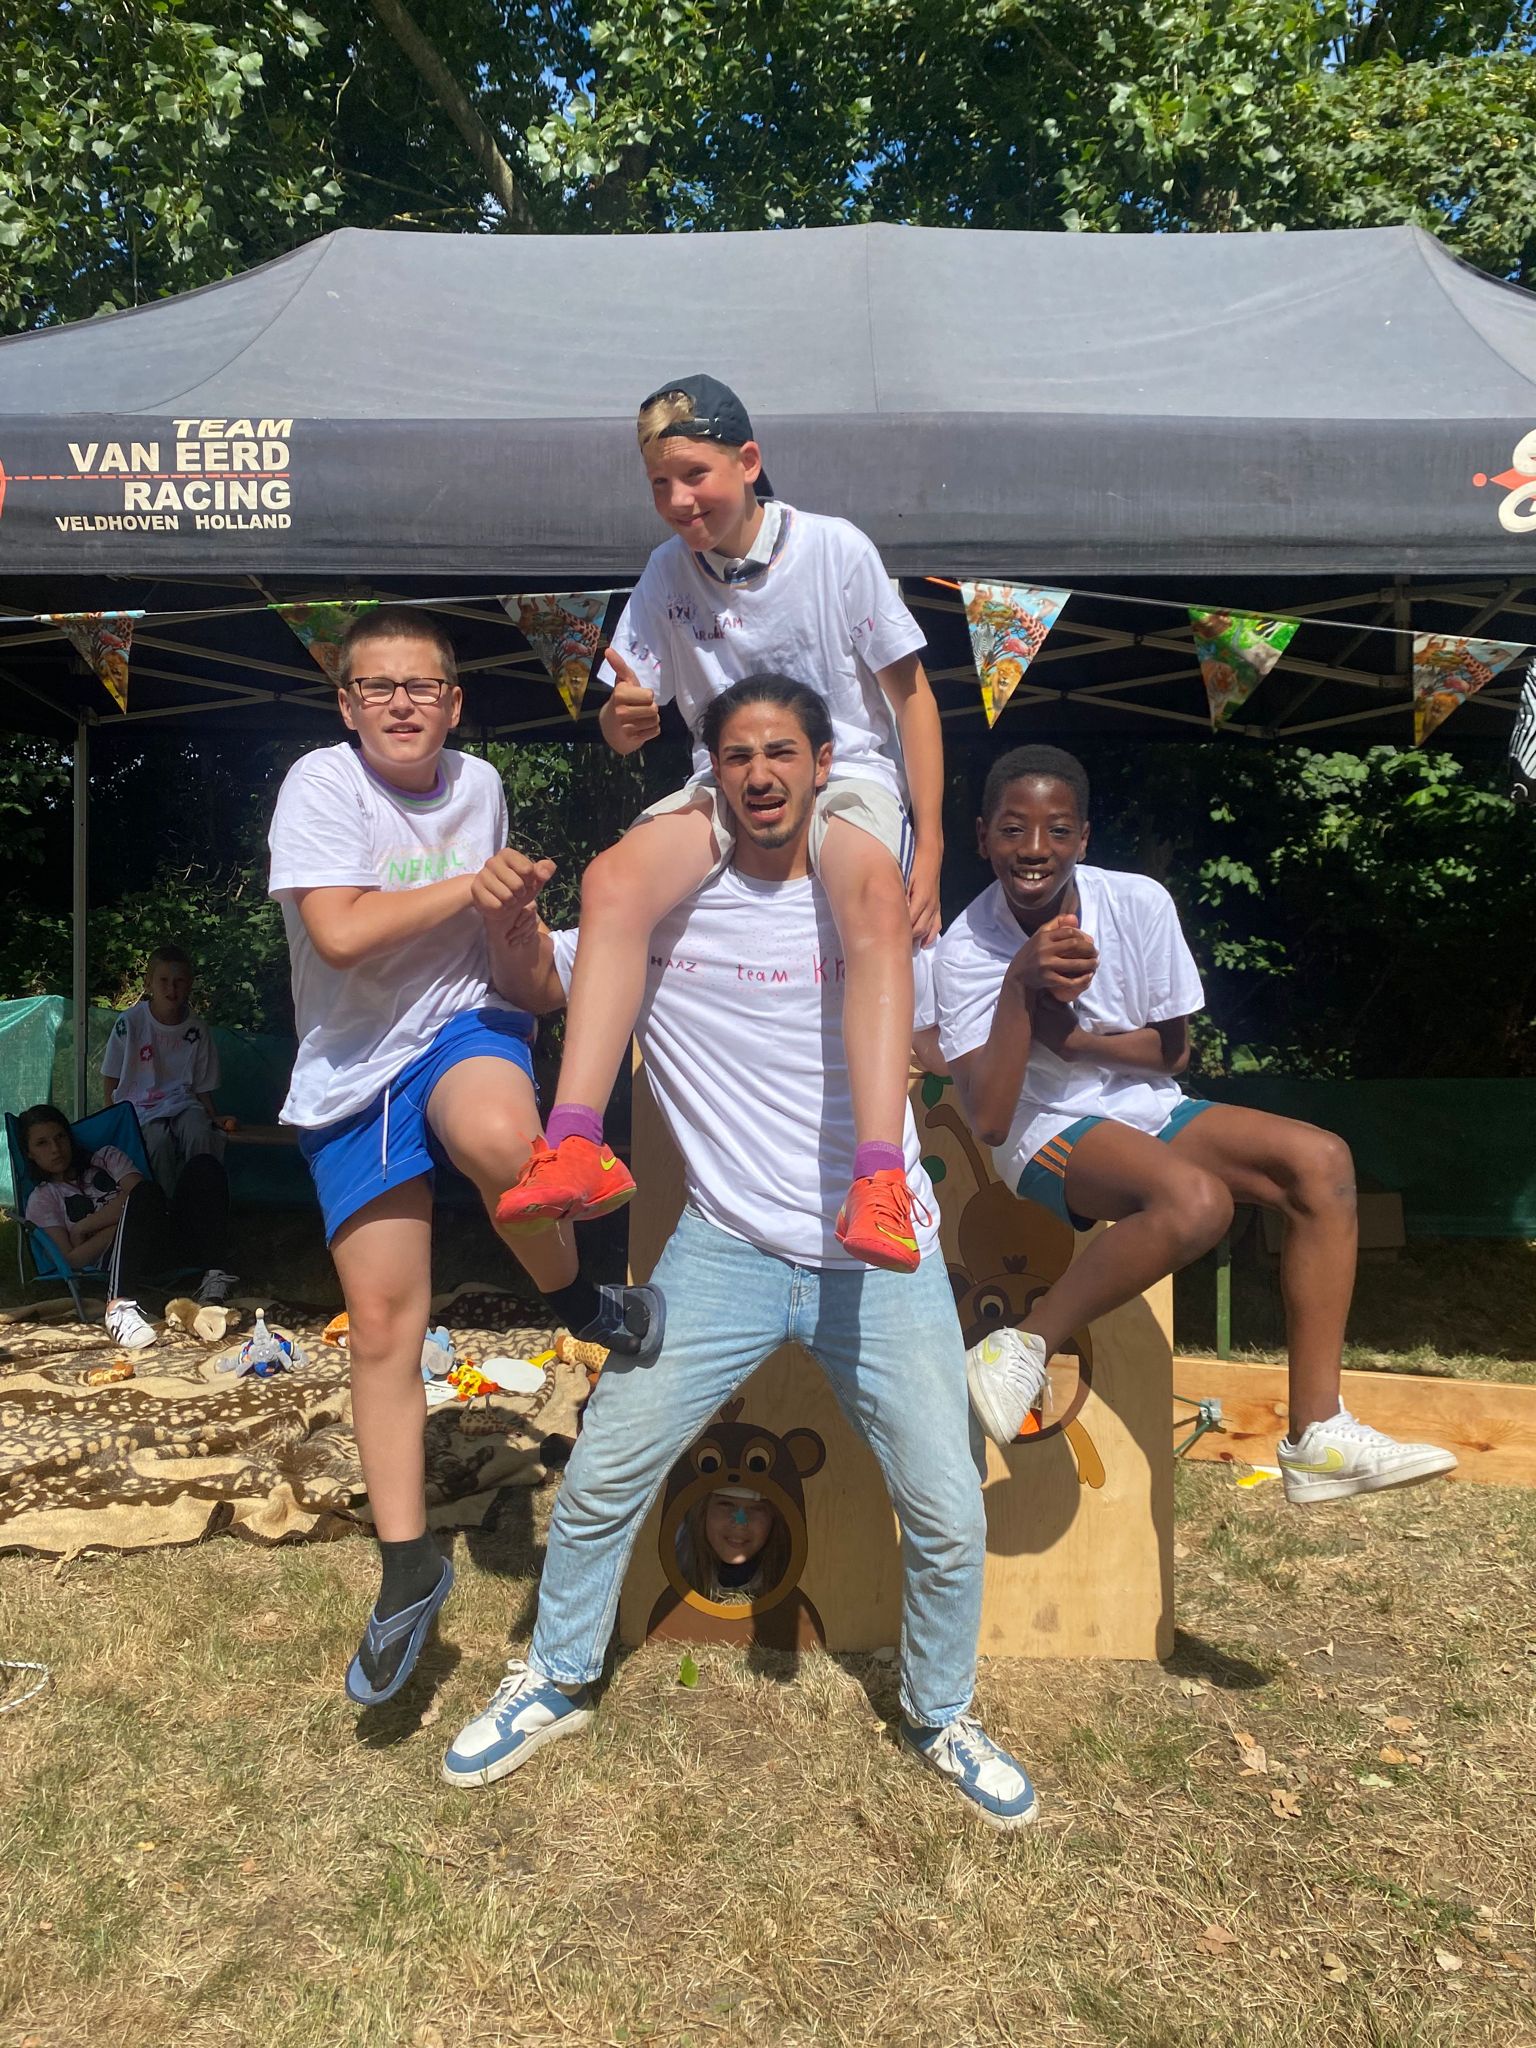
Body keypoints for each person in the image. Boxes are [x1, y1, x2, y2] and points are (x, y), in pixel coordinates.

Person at [442, 674, 1037, 1830]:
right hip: (727, 1245)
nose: (762, 773)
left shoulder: (865, 901)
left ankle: (940, 1713)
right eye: (739, 755)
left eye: (782, 752)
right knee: (606, 1467)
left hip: (884, 1253)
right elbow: (545, 980)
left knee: (947, 1507)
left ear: (824, 765)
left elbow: (943, 1033)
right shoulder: (663, 903)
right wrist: (510, 927)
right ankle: (555, 1676)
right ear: (711, 776)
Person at [266, 604, 663, 1710]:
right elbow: (341, 931)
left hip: (460, 1023)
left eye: (422, 686)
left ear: (454, 702)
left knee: (503, 1143)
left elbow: (488, 932)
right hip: (351, 1067)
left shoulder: (480, 783)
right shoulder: (319, 784)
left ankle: (581, 1301)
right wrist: (473, 885)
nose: (401, 703)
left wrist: (516, 923)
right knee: (383, 1326)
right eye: (378, 686)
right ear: (347, 705)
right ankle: (408, 1570)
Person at [494, 374, 945, 1274]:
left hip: (846, 772)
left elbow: (913, 699)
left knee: (868, 894)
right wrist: (621, 720)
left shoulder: (835, 549)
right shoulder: (666, 572)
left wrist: (927, 842)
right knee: (610, 880)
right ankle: (576, 1137)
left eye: (693, 476)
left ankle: (880, 1179)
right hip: (722, 776)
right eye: (659, 484)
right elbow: (628, 713)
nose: (678, 501)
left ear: (748, 461)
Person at [933, 743, 1459, 1504]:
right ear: (983, 837)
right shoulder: (964, 951)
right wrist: (1019, 985)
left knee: (1321, 1163)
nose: (1035, 848)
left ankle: (1318, 1434)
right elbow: (986, 1119)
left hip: (1150, 1108)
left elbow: (1173, 1051)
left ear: (1084, 837)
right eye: (1013, 830)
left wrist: (1074, 1041)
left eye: (1058, 829)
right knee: (1196, 1203)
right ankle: (1021, 1345)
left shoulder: (1138, 903)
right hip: (1043, 1126)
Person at [17, 1102, 224, 1351]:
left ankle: (214, 1281)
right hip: (127, 1260)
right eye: (42, 1143)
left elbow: (139, 1193)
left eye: (60, 1137)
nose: (55, 1149)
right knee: (145, 1196)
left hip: (166, 1237)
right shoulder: (43, 1198)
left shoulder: (106, 1157)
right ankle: (117, 1306)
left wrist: (83, 1227)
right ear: (29, 1153)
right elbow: (70, 1259)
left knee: (204, 1165)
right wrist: (123, 1219)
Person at [101, 942, 238, 1305]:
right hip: (140, 1106)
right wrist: (113, 1116)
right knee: (157, 1142)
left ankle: (200, 1212)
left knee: (199, 1131)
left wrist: (214, 1116)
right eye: (163, 980)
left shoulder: (197, 1029)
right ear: (149, 982)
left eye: (179, 981)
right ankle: (163, 1219)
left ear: (189, 984)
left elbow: (202, 1086)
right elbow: (111, 1077)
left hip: (182, 1101)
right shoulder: (130, 1023)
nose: (171, 989)